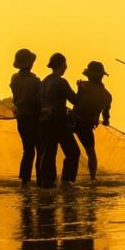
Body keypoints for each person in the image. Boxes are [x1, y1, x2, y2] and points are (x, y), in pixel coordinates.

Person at [37, 53, 79, 189]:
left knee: (49, 153)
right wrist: (81, 90)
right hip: (58, 121)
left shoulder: (44, 82)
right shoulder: (61, 82)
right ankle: (66, 182)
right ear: (62, 65)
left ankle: (48, 184)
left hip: (44, 121)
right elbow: (75, 100)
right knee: (73, 152)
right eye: (65, 63)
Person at [71, 61, 112, 180]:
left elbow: (76, 100)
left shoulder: (83, 85)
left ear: (89, 75)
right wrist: (105, 121)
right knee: (91, 153)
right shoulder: (107, 95)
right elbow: (106, 117)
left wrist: (79, 88)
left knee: (67, 149)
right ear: (101, 76)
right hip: (86, 126)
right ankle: (92, 179)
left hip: (72, 121)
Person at [10, 48, 41, 188]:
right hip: (34, 118)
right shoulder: (35, 81)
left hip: (21, 118)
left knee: (27, 149)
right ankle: (41, 179)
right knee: (40, 149)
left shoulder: (14, 78)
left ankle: (24, 181)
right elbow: (38, 101)